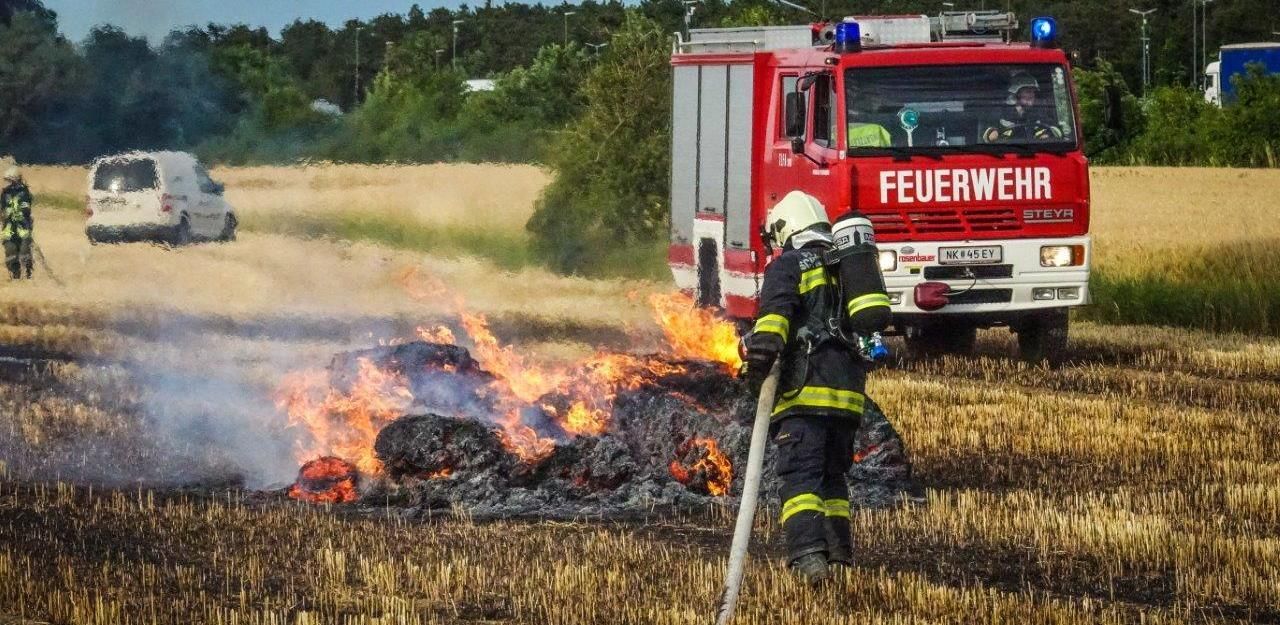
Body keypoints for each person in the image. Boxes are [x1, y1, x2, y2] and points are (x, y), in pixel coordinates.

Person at [740, 191, 874, 586]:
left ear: (785, 229)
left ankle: (809, 560)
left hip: (804, 393)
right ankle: (839, 559)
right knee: (833, 481)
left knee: (800, 480)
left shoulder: (789, 265)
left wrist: (754, 376)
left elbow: (770, 332)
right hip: (848, 396)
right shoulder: (845, 266)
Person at [983, 72, 1064, 143]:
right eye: (1028, 91)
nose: (1032, 95)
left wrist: (1048, 134)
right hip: (1007, 156)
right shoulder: (1001, 114)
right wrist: (992, 133)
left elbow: (1057, 130)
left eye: (1033, 91)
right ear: (1016, 94)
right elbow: (986, 133)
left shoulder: (1039, 114)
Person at [2, 166, 34, 280]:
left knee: (25, 251)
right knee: (10, 251)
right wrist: (5, 214)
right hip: (9, 229)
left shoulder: (25, 192)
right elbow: (3, 208)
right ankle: (15, 274)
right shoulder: (5, 193)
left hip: (23, 227)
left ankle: (28, 272)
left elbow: (26, 208)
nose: (8, 183)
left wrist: (18, 213)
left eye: (10, 180)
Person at [846, 82, 892, 148]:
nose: (873, 99)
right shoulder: (847, 118)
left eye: (876, 96)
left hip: (884, 154)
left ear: (881, 100)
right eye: (869, 95)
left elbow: (888, 120)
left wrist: (858, 115)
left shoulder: (889, 115)